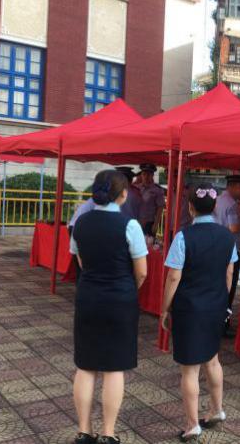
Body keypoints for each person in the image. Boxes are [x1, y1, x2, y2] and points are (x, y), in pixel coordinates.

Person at [70, 170, 148, 444]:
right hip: (119, 300)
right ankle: (108, 433)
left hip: (88, 296)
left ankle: (84, 431)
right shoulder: (130, 225)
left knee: (85, 365)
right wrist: (126, 287)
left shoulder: (81, 223)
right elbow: (142, 272)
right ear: (123, 194)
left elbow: (81, 262)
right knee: (114, 367)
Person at [161, 185, 238, 443]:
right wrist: (223, 300)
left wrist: (164, 308)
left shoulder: (184, 236)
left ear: (190, 208)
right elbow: (229, 272)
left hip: (190, 308)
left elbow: (174, 276)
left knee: (190, 370)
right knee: (213, 360)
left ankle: (192, 424)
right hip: (216, 306)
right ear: (215, 207)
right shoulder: (227, 236)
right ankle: (217, 410)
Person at [214, 174, 240, 336]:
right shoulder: (232, 204)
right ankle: (223, 325)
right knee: (228, 288)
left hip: (216, 249)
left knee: (216, 287)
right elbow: (233, 228)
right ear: (235, 186)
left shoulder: (218, 200)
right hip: (230, 253)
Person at [137, 163, 165, 238]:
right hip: (136, 222)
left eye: (149, 174)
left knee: (148, 243)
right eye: (144, 174)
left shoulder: (157, 190)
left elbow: (160, 207)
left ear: (152, 175)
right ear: (141, 175)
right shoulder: (137, 188)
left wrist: (155, 224)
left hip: (149, 224)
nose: (146, 177)